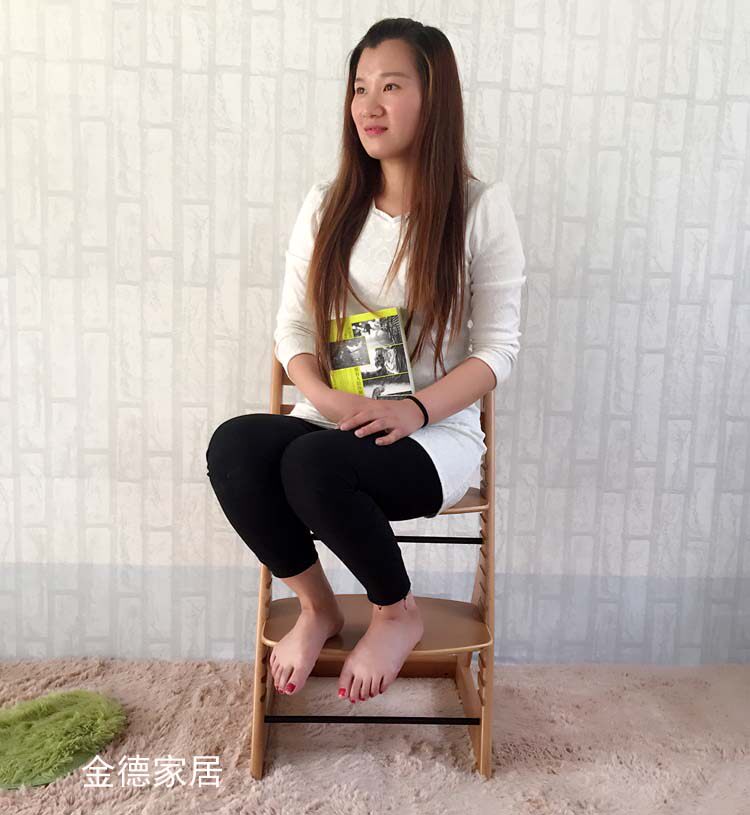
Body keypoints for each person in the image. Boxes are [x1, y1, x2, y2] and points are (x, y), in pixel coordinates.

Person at [206, 18, 526, 705]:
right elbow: (293, 327)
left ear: (434, 98)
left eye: (390, 86)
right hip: (335, 417)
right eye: (359, 88)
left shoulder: (479, 209)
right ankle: (318, 607)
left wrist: (413, 410)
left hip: (430, 435)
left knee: (312, 464)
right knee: (235, 446)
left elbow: (498, 350)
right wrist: (325, 399)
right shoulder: (328, 204)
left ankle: (395, 610)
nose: (368, 106)